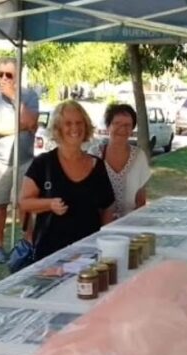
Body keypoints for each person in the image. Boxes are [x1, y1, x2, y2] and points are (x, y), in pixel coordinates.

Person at [19, 100, 114, 262]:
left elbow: (108, 206)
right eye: (68, 123)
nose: (75, 128)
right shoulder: (43, 164)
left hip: (89, 256)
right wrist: (49, 204)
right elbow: (24, 203)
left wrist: (103, 241)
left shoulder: (97, 165)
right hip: (50, 257)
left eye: (79, 123)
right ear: (58, 128)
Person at [0, 57, 40, 264]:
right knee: (0, 205)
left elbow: (32, 121)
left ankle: (28, 243)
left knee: (24, 204)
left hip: (25, 159)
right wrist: (25, 125)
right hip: (0, 161)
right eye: (0, 74)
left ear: (18, 76)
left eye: (9, 75)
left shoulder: (30, 96)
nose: (4, 78)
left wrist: (14, 98)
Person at [89, 103, 151, 218]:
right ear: (108, 126)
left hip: (129, 223)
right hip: (98, 224)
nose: (122, 128)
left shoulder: (139, 156)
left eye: (127, 125)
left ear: (132, 129)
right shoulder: (94, 154)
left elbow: (141, 200)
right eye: (117, 123)